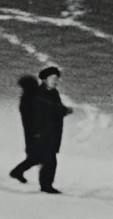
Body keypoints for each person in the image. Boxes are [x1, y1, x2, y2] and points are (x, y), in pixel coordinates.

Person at [9, 65, 71, 193]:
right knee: (49, 160)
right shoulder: (38, 95)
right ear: (44, 79)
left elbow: (55, 109)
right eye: (52, 78)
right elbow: (39, 115)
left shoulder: (53, 93)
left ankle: (17, 171)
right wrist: (36, 133)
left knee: (36, 158)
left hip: (52, 132)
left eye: (56, 78)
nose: (55, 81)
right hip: (41, 133)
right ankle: (46, 186)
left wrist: (64, 110)